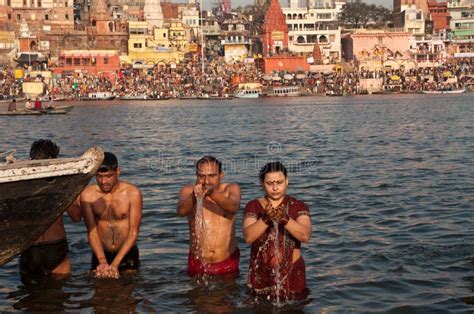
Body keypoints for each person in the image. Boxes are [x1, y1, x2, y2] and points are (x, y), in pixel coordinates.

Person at [243, 162, 312, 301]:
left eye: (279, 182)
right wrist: (266, 219)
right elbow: (248, 237)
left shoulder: (297, 205)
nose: (275, 188)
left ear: (287, 181)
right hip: (261, 275)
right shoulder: (253, 206)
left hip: (292, 274)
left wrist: (284, 218)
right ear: (262, 184)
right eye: (269, 183)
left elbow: (305, 236)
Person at [19, 140, 83, 281]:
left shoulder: (63, 184)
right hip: (32, 248)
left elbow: (77, 216)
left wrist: (64, 188)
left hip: (53, 246)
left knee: (33, 298)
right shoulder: (18, 183)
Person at [81, 152, 142, 279]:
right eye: (99, 176)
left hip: (127, 254)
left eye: (108, 176)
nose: (103, 181)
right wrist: (102, 261)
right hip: (101, 254)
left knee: (128, 292)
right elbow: (91, 232)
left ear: (117, 172)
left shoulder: (132, 193)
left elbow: (133, 232)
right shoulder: (88, 195)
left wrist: (115, 264)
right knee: (100, 294)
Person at [177, 156, 241, 276]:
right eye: (202, 176)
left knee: (230, 292)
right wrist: (194, 196)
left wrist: (212, 193)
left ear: (221, 175)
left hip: (227, 261)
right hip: (197, 261)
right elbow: (181, 211)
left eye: (212, 176)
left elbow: (233, 207)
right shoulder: (188, 190)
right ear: (196, 176)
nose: (206, 181)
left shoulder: (231, 188)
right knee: (197, 294)